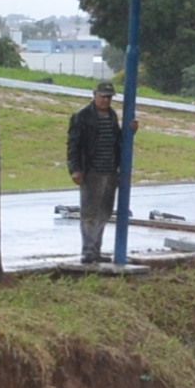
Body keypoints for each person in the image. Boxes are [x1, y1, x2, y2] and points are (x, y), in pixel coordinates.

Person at [65, 79, 123, 265]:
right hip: (91, 171)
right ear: (94, 95)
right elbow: (73, 145)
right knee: (89, 213)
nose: (106, 100)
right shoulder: (81, 116)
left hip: (110, 171)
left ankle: (96, 250)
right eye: (103, 96)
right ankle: (88, 251)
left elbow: (118, 141)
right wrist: (75, 169)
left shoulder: (112, 116)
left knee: (104, 212)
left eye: (109, 97)